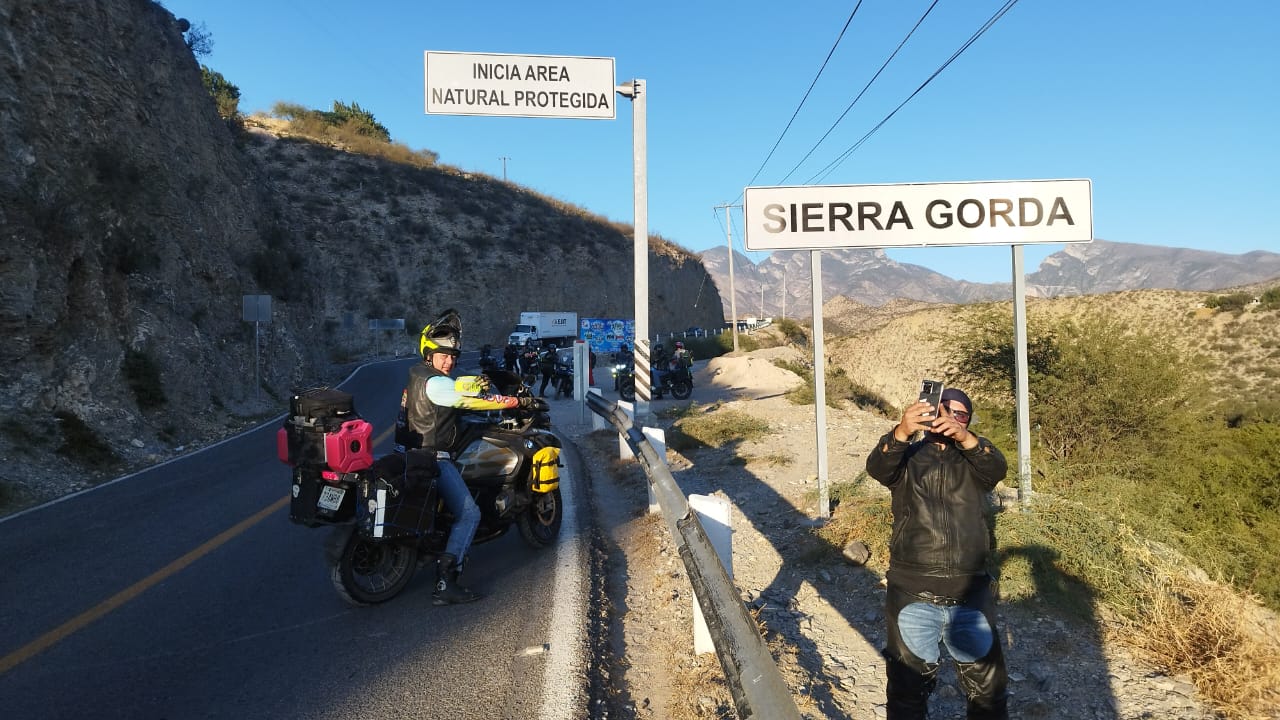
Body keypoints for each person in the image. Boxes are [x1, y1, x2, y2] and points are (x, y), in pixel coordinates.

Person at [864, 387, 1010, 720]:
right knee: (907, 694)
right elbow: (877, 467)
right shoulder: (907, 457)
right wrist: (902, 430)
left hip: (969, 593)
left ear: (968, 421)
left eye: (959, 413)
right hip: (912, 591)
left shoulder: (975, 462)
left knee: (989, 694)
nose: (949, 416)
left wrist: (967, 438)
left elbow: (997, 468)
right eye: (942, 408)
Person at [394, 309, 540, 605]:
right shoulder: (436, 383)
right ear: (429, 354)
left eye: (452, 356)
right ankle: (446, 583)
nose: (449, 361)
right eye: (443, 355)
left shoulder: (418, 377)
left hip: (411, 452)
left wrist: (474, 382)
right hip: (434, 457)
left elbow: (458, 389)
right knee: (470, 513)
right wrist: (517, 400)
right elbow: (467, 399)